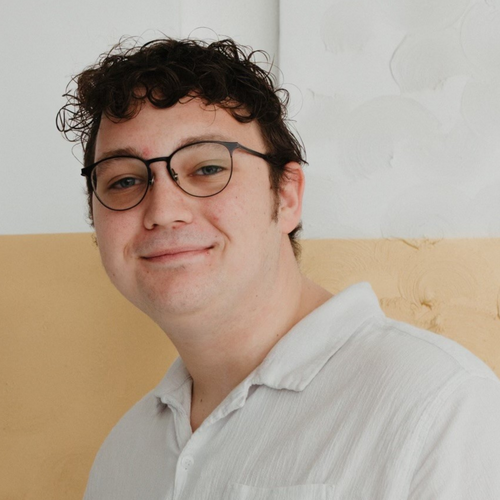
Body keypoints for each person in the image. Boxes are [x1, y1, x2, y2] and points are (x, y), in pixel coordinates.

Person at [57, 37, 500, 499]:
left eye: (207, 168)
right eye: (125, 180)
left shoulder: (443, 408)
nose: (164, 211)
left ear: (286, 196)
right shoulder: (124, 455)